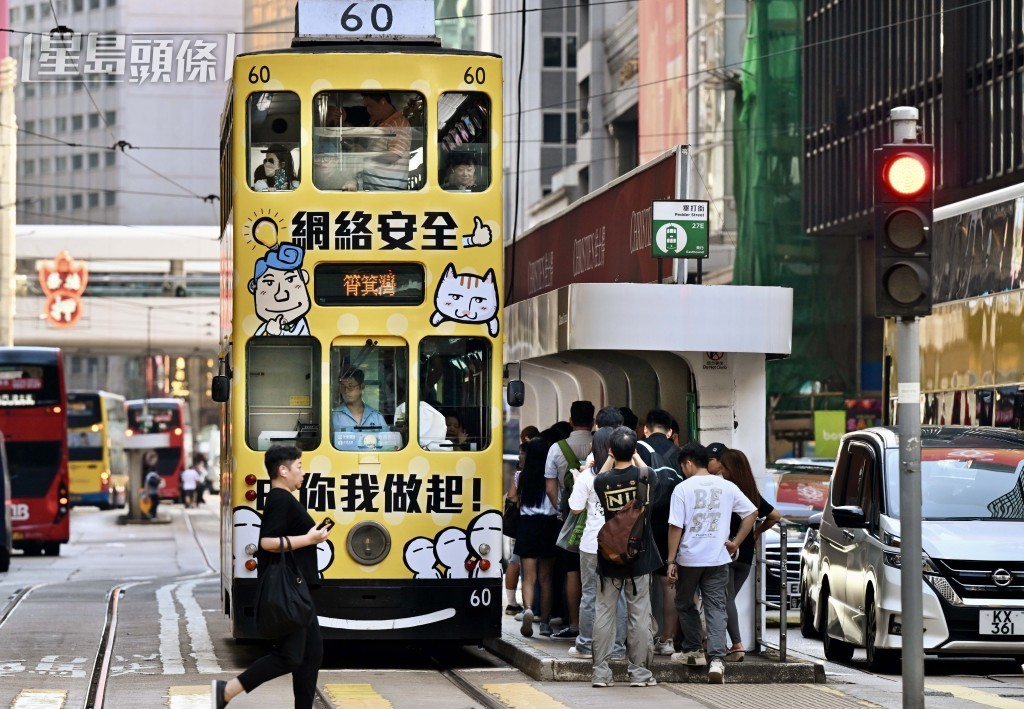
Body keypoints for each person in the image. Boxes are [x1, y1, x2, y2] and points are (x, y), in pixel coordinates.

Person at [212, 445, 331, 709]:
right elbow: (266, 542)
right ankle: (228, 690)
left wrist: (313, 537)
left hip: (298, 589)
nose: (303, 472)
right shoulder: (280, 498)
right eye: (299, 466)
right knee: (289, 656)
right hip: (291, 590)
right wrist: (310, 538)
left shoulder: (285, 498)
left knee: (312, 655)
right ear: (283, 470)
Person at [667, 442, 757, 684]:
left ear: (687, 463)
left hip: (689, 559)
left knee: (685, 603)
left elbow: (676, 527)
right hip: (718, 558)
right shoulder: (726, 486)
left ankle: (694, 651)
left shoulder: (683, 489)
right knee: (716, 606)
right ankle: (717, 660)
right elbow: (752, 513)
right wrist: (736, 542)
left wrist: (671, 560)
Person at [588, 426, 660, 688]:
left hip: (609, 556)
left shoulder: (602, 482)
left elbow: (603, 472)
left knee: (604, 614)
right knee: (639, 615)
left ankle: (600, 673)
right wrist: (636, 454)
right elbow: (646, 470)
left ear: (610, 450)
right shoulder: (647, 477)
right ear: (634, 449)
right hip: (639, 558)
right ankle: (639, 674)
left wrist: (610, 455)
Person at [567, 415, 628, 662]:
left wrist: (577, 478)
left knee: (591, 595)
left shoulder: (587, 477)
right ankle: (617, 648)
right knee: (619, 597)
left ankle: (585, 645)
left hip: (593, 543)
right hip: (621, 545)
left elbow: (575, 508)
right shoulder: (628, 476)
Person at [718, 448, 780, 662]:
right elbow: (774, 516)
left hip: (727, 551)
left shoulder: (727, 490)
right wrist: (755, 533)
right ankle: (721, 643)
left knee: (724, 600)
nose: (720, 470)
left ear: (730, 469)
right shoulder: (751, 493)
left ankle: (736, 645)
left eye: (723, 466)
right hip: (745, 555)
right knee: (728, 599)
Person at [544, 400, 595, 641]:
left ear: (571, 420)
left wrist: (560, 510)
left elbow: (551, 485)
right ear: (593, 421)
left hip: (569, 516)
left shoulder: (557, 448)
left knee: (573, 571)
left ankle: (575, 624)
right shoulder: (602, 443)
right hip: (598, 516)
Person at [636, 409, 683, 656]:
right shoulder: (679, 453)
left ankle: (642, 635)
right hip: (671, 525)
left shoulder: (638, 448)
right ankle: (667, 639)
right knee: (668, 583)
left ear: (646, 428)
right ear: (671, 432)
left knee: (641, 581)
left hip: (642, 522)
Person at [513, 437, 561, 638]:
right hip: (548, 526)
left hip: (527, 526)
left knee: (529, 577)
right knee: (546, 578)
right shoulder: (552, 477)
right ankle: (546, 623)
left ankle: (529, 608)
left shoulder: (520, 476)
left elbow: (512, 498)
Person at [342, 92, 410, 191]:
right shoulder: (375, 122)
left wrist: (365, 154)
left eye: (370, 106)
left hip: (388, 193)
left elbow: (393, 156)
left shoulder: (399, 123)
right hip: (371, 188)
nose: (368, 110)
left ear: (382, 101)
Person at [143, 451, 164, 520]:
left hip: (150, 492)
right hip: (154, 493)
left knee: (153, 504)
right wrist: (159, 492)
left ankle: (152, 515)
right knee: (155, 504)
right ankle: (152, 515)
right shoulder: (156, 475)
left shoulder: (148, 475)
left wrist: (146, 493)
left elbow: (146, 484)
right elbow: (158, 485)